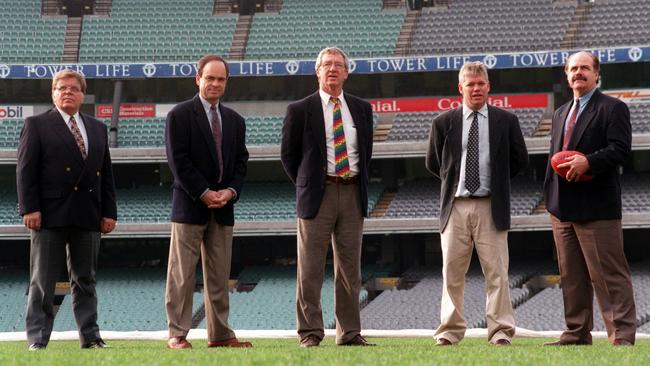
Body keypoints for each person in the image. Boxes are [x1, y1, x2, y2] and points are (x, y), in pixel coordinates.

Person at [426, 61, 528, 346]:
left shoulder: (506, 121)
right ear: (461, 88)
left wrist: (495, 182)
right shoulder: (443, 122)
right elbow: (434, 163)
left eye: (481, 83)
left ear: (489, 86)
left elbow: (520, 160)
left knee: (497, 273)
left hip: (490, 206)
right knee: (452, 273)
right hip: (455, 206)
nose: (476, 88)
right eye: (470, 84)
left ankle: (500, 331)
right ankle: (449, 330)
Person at [17, 70, 117, 351]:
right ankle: (37, 338)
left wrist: (109, 212)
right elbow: (25, 171)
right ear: (53, 93)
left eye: (74, 88)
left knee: (85, 280)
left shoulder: (97, 128)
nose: (67, 92)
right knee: (43, 282)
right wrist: (30, 208)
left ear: (83, 94)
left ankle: (91, 336)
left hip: (88, 214)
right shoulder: (37, 125)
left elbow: (105, 174)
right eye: (61, 88)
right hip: (48, 215)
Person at [281, 47, 374, 347]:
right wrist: (308, 183)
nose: (333, 69)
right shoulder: (300, 109)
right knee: (310, 267)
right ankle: (310, 332)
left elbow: (366, 152)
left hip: (352, 191)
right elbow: (288, 156)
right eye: (327, 65)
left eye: (339, 65)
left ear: (347, 72)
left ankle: (348, 332)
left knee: (350, 269)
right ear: (317, 71)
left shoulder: (361, 108)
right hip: (317, 194)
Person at [543, 51, 636, 346]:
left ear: (596, 74)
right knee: (571, 277)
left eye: (584, 68)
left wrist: (589, 163)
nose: (578, 73)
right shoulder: (560, 113)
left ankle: (621, 336)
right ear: (566, 75)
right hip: (562, 208)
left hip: (597, 207)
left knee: (609, 276)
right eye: (573, 69)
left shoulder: (613, 108)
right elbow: (553, 159)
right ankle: (576, 333)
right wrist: (550, 200)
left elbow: (620, 149)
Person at [164, 55, 250, 349]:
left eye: (221, 79)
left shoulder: (235, 121)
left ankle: (220, 334)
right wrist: (203, 192)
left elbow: (241, 162)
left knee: (219, 277)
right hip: (190, 205)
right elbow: (178, 161)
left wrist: (229, 192)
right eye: (210, 78)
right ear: (197, 78)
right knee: (181, 275)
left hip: (224, 208)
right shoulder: (180, 115)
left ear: (226, 83)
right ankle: (177, 334)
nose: (215, 84)